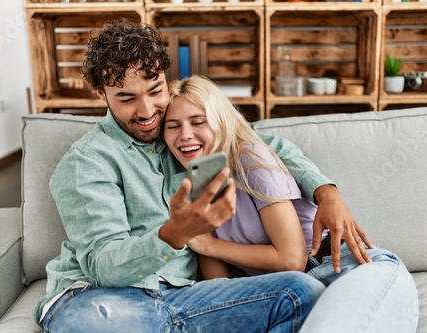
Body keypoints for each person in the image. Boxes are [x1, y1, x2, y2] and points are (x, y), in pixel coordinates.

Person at [33, 18, 362, 332]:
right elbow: (104, 266)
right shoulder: (87, 162)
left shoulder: (179, 134)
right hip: (101, 297)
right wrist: (171, 236)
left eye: (154, 90)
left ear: (166, 78)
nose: (147, 112)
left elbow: (262, 143)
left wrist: (325, 191)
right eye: (127, 98)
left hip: (185, 300)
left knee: (299, 291)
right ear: (100, 94)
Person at [163, 75, 419, 332]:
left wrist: (208, 244)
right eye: (172, 126)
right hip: (288, 296)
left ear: (221, 122)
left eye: (198, 122)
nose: (185, 135)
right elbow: (222, 290)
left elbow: (291, 259)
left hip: (347, 268)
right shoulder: (191, 187)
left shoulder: (250, 159)